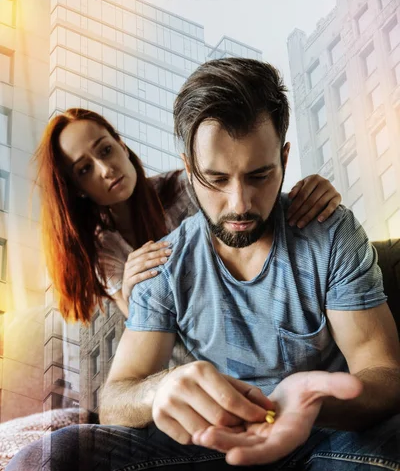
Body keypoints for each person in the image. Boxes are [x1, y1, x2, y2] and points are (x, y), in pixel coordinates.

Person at [1, 58, 399, 471]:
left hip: (326, 435)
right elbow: (116, 396)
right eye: (216, 179)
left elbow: (382, 373)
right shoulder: (164, 262)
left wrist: (306, 401)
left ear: (284, 159)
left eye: (260, 175)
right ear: (189, 169)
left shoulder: (327, 233)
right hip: (212, 444)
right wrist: (162, 387)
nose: (240, 204)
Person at [36, 108, 342, 321]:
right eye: (85, 169)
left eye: (105, 150)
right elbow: (146, 328)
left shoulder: (186, 186)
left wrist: (312, 193)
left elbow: (258, 211)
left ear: (122, 144)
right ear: (76, 188)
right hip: (188, 349)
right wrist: (130, 290)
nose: (106, 170)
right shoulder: (102, 248)